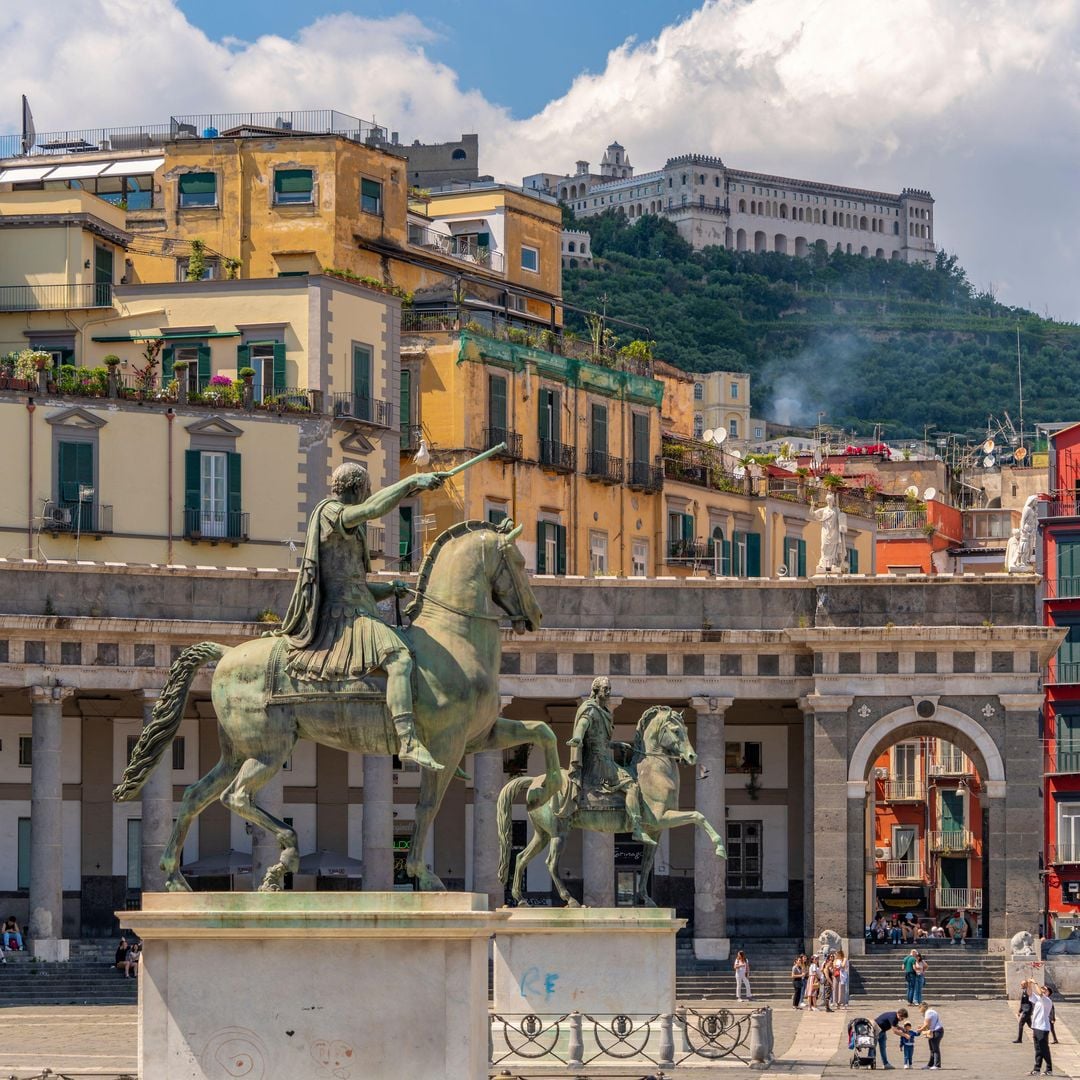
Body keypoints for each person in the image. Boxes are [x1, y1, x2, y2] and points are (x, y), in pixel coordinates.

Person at [273, 461, 446, 771]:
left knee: (417, 661)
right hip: (344, 617)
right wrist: (413, 481)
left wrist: (388, 589)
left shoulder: (348, 524)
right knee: (400, 659)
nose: (369, 496)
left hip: (359, 606)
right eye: (367, 490)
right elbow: (371, 510)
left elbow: (355, 584)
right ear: (355, 489)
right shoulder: (331, 512)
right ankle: (407, 741)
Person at [559, 676, 654, 845]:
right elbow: (582, 725)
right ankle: (638, 829)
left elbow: (600, 740)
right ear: (596, 691)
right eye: (605, 689)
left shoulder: (604, 711)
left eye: (609, 689)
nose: (609, 692)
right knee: (632, 786)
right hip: (598, 762)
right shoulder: (590, 709)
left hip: (604, 757)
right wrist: (577, 738)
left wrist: (615, 744)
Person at [813, 491, 847, 572]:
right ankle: (822, 563)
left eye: (830, 500)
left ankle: (833, 563)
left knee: (833, 548)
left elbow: (841, 519)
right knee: (823, 547)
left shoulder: (836, 509)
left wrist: (842, 526)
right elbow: (813, 514)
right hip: (825, 532)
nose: (829, 502)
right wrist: (812, 506)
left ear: (833, 501)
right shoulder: (824, 510)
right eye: (828, 500)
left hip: (834, 532)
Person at [1029, 982, 1053, 1075]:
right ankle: (1037, 1069)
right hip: (1036, 1026)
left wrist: (1035, 982)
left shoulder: (1047, 1000)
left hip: (1043, 1027)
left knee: (1044, 1049)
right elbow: (1030, 993)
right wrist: (1029, 984)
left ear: (1048, 993)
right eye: (1042, 988)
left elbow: (1039, 993)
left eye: (1044, 989)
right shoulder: (1039, 1000)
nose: (1042, 989)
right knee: (1038, 1049)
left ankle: (1049, 1069)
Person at [916, 1002, 944, 1070]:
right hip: (934, 1031)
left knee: (935, 1048)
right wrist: (922, 1027)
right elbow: (927, 1024)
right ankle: (930, 1064)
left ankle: (937, 1065)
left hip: (936, 1031)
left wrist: (919, 1030)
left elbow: (927, 1025)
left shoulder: (928, 1012)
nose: (919, 1011)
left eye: (919, 1009)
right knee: (932, 1049)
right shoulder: (930, 1012)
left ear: (921, 1008)